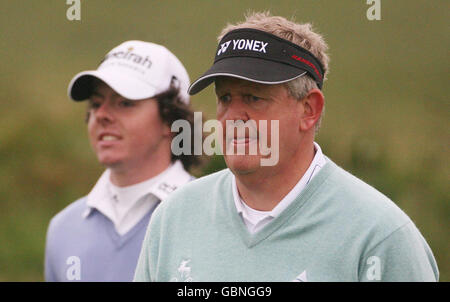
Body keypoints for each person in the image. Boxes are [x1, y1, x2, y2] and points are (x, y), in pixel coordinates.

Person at [134, 12, 439, 282]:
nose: (233, 117)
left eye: (254, 97)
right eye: (225, 98)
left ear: (309, 109)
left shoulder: (380, 236)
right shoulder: (175, 216)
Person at [45, 40, 200, 281]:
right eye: (96, 103)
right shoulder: (63, 228)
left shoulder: (212, 217)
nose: (102, 115)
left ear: (171, 121)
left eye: (125, 103)